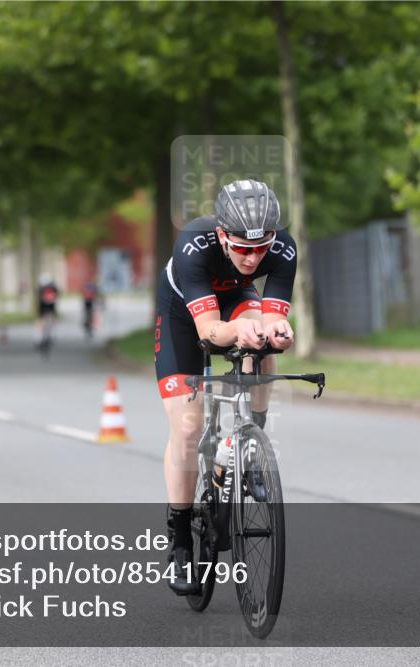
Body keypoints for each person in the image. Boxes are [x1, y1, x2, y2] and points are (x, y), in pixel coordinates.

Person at [154, 179, 295, 595]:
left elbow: (274, 314)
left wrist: (278, 331)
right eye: (242, 248)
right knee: (188, 428)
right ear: (221, 235)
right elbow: (210, 330)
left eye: (261, 248)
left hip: (236, 299)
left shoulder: (283, 249)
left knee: (262, 338)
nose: (253, 258)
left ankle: (251, 442)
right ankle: (180, 537)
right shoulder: (193, 244)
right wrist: (237, 332)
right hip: (185, 316)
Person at [37, 274, 60, 349]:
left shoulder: (41, 288)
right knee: (51, 320)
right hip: (50, 306)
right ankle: (52, 334)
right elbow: (57, 297)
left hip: (44, 307)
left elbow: (40, 298)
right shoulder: (53, 287)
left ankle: (40, 337)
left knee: (41, 322)